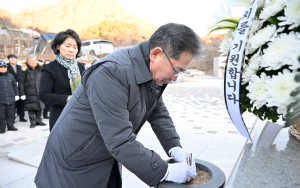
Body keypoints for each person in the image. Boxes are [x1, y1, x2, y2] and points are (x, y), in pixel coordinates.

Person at [35, 23, 203, 188]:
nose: (175, 78)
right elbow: (119, 139)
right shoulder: (111, 72)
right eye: (176, 69)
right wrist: (164, 171)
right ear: (156, 54)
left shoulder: (149, 73)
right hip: (74, 164)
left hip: (104, 157)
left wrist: (174, 146)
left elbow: (158, 113)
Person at [39, 29, 85, 131]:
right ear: (58, 46)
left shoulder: (81, 67)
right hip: (60, 117)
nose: (71, 50)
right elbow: (43, 95)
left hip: (81, 116)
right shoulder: (50, 68)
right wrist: (68, 99)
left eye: (75, 47)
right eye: (68, 46)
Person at [19, 55, 46, 128]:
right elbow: (21, 83)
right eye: (31, 61)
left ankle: (39, 121)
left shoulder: (40, 69)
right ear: (28, 62)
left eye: (34, 60)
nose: (33, 62)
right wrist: (22, 94)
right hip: (29, 92)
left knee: (40, 107)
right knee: (31, 108)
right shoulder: (24, 70)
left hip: (39, 91)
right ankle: (33, 122)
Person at [6, 54, 27, 122]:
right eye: (11, 58)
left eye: (14, 58)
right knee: (13, 104)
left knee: (21, 102)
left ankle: (21, 116)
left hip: (20, 86)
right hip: (11, 87)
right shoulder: (6, 66)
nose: (13, 59)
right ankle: (12, 118)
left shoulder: (19, 67)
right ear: (8, 59)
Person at [0, 61, 19, 133]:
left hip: (11, 100)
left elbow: (15, 86)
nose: (2, 68)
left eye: (4, 67)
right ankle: (2, 128)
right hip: (1, 101)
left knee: (11, 114)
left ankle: (10, 126)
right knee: (1, 116)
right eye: (1, 67)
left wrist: (17, 94)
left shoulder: (10, 76)